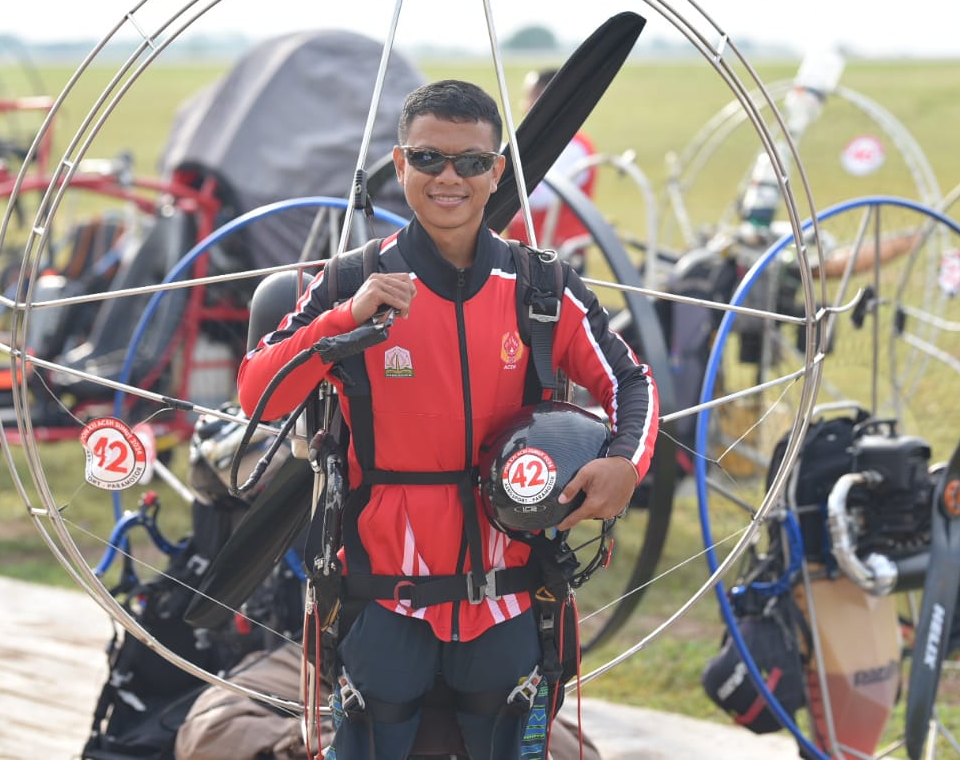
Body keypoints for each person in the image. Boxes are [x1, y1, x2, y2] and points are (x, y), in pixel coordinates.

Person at [237, 79, 658, 760]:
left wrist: (625, 463)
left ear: (497, 172)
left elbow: (630, 381)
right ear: (400, 166)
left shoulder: (542, 287)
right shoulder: (351, 279)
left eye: (470, 161)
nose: (449, 178)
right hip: (381, 602)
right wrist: (346, 320)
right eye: (429, 159)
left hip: (512, 598)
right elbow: (259, 393)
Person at [505, 68, 598, 250]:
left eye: (530, 97)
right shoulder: (541, 143)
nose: (524, 106)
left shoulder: (572, 147)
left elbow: (540, 196)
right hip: (528, 250)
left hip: (557, 255)